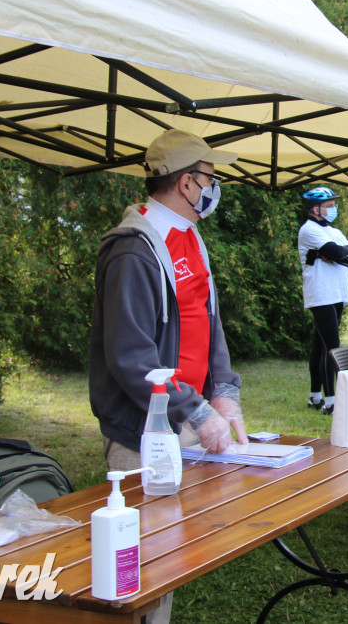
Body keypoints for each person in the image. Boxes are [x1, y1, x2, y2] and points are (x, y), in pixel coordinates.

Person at [89, 129, 247, 624]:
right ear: (187, 184)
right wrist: (195, 410)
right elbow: (130, 355)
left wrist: (222, 393)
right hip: (144, 430)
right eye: (210, 178)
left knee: (168, 554)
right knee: (137, 564)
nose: (214, 188)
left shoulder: (190, 239)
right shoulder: (134, 250)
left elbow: (207, 320)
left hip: (183, 418)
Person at [298, 186, 348, 415]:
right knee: (331, 347)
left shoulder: (333, 231)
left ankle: (315, 397)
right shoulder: (308, 230)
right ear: (316, 209)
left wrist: (335, 255)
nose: (333, 209)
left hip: (336, 293)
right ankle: (331, 401)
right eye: (329, 206)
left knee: (319, 345)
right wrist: (337, 254)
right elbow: (335, 252)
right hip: (321, 293)